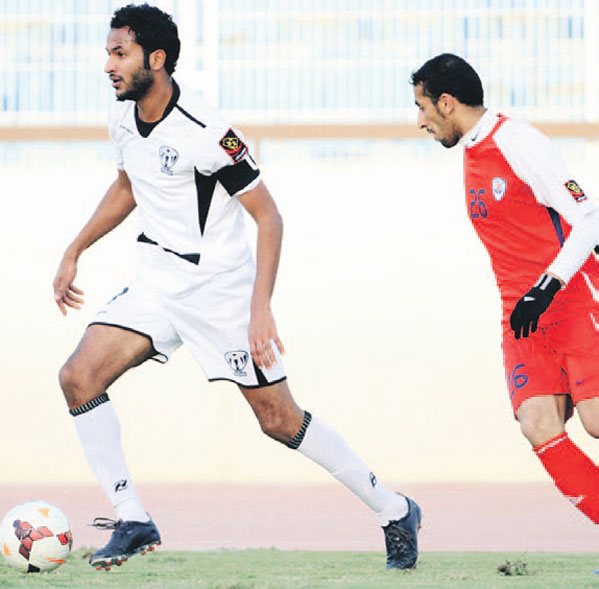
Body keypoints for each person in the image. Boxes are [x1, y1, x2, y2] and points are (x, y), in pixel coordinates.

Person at [53, 3, 420, 571]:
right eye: (108, 52)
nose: (108, 64)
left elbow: (269, 217)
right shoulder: (123, 117)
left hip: (218, 291)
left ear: (157, 59)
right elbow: (128, 185)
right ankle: (131, 519)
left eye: (119, 53)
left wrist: (260, 311)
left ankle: (394, 509)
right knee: (78, 377)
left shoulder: (207, 130)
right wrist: (75, 249)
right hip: (156, 280)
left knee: (278, 419)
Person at [411, 53, 599, 526]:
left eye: (423, 108)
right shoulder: (472, 149)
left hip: (572, 299)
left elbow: (589, 218)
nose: (420, 122)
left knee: (596, 422)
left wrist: (549, 284)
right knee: (537, 423)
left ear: (447, 104)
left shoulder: (517, 141)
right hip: (524, 316)